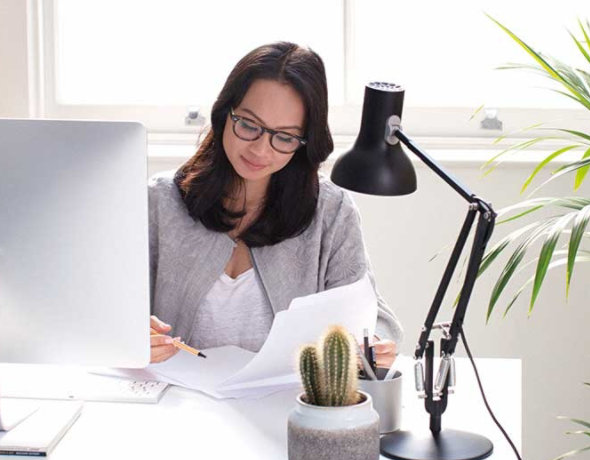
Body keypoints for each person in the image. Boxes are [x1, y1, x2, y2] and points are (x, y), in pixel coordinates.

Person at [147, 42, 400, 367]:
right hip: (175, 403)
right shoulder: (160, 201)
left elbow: (372, 317)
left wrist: (373, 344)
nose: (260, 150)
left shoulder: (331, 213)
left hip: (286, 408)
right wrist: (133, 335)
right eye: (249, 125)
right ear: (226, 113)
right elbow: (111, 310)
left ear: (304, 141)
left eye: (284, 137)